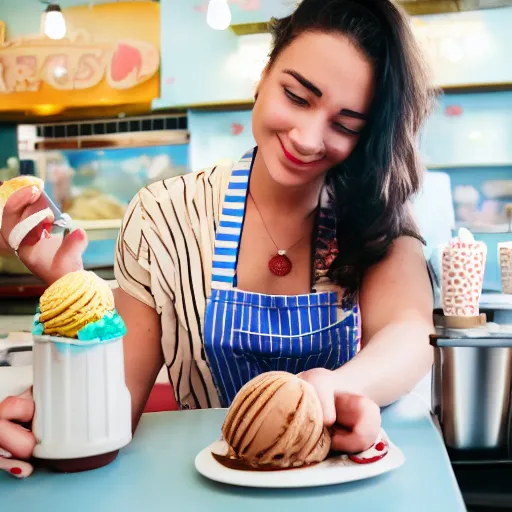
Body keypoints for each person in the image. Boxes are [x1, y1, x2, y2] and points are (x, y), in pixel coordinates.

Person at [0, 0, 435, 478]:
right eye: (296, 96)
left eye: (345, 125)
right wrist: (65, 300)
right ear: (264, 75)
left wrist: (332, 389)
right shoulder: (162, 216)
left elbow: (409, 334)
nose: (309, 138)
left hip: (345, 488)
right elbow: (114, 404)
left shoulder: (377, 215)